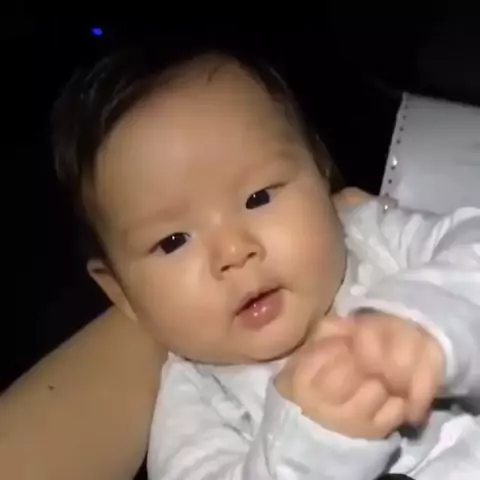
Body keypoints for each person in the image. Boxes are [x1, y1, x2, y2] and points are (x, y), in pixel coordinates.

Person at [50, 46, 480, 479]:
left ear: (320, 175)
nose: (234, 252)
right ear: (120, 292)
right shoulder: (198, 406)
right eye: (174, 241)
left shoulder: (372, 239)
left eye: (258, 198)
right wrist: (311, 442)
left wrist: (428, 323)